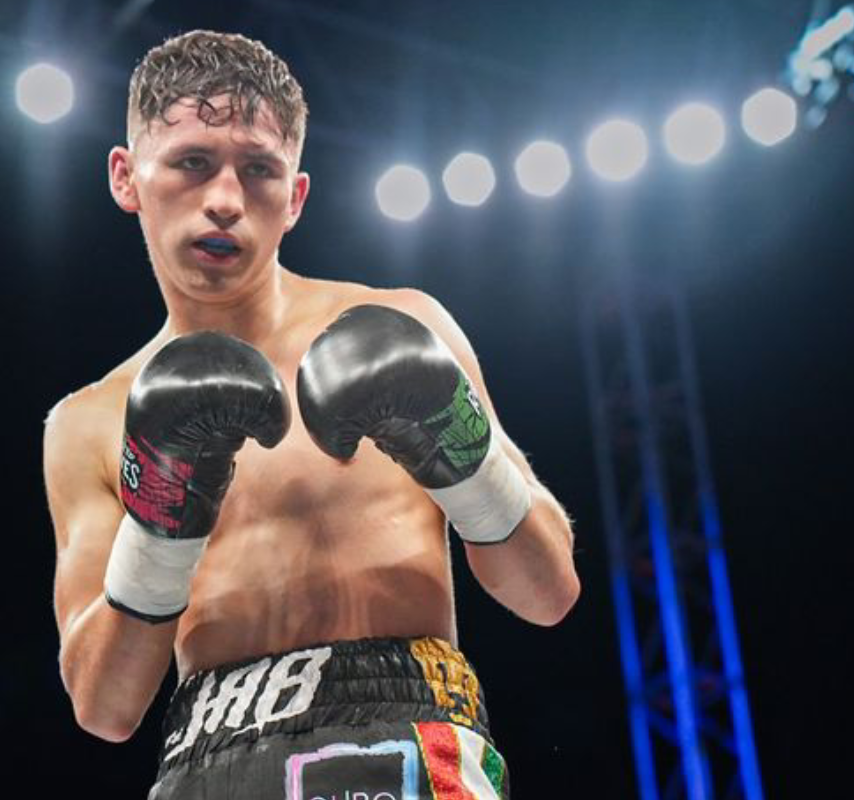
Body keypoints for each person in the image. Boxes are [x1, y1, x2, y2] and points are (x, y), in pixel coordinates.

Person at [44, 30, 579, 799]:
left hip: (407, 730)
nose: (225, 200)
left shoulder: (406, 324)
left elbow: (548, 590)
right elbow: (105, 705)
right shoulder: (90, 421)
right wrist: (161, 516)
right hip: (208, 759)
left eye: (258, 170)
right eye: (192, 162)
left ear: (294, 197)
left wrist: (454, 441)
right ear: (127, 177)